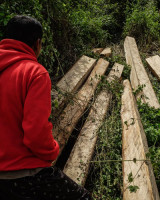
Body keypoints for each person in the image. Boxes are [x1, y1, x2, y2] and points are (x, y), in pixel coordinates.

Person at [0, 15, 92, 200]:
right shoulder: (34, 72)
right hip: (21, 173)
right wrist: (53, 150)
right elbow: (35, 135)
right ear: (37, 44)